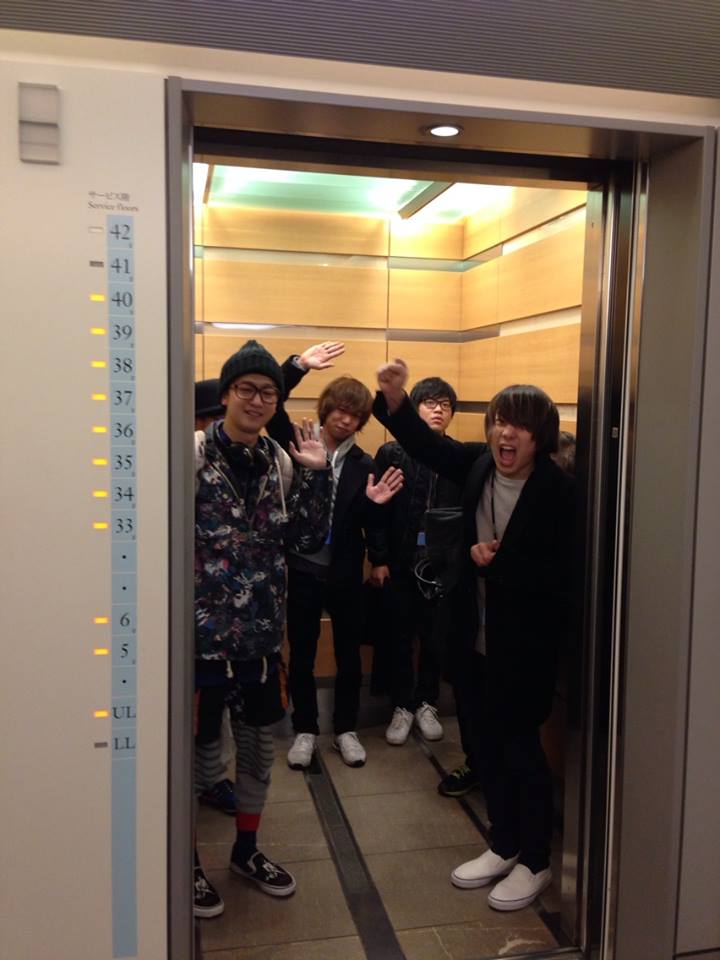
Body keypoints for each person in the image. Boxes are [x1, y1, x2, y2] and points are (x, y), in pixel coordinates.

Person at [374, 359, 574, 912]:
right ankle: (503, 844)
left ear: (540, 436)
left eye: (520, 425)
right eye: (499, 421)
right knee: (484, 747)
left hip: (524, 649)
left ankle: (536, 860)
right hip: (471, 639)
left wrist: (499, 564)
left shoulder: (559, 491)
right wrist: (395, 399)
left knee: (521, 751)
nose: (506, 433)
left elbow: (565, 576)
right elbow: (426, 446)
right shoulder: (480, 465)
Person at [194, 339, 333, 907]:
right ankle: (185, 861)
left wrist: (318, 476)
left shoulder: (280, 461)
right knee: (192, 756)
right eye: (247, 389)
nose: (257, 401)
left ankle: (246, 850)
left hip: (259, 639)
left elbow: (304, 539)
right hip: (199, 642)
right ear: (227, 393)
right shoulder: (192, 453)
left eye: (268, 393)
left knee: (256, 752)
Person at [284, 376, 403, 770]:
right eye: (340, 410)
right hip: (303, 568)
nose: (346, 419)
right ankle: (305, 728)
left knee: (348, 655)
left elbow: (371, 522)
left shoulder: (364, 464)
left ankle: (346, 729)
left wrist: (375, 512)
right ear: (327, 408)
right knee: (301, 652)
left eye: (355, 415)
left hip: (346, 571)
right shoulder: (299, 446)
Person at [369, 377, 462, 747]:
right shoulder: (391, 453)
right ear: (414, 408)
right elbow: (376, 512)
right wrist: (378, 558)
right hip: (400, 561)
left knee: (435, 638)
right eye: (430, 402)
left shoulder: (457, 457)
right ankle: (402, 705)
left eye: (445, 404)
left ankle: (427, 703)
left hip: (442, 566)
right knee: (399, 635)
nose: (438, 409)